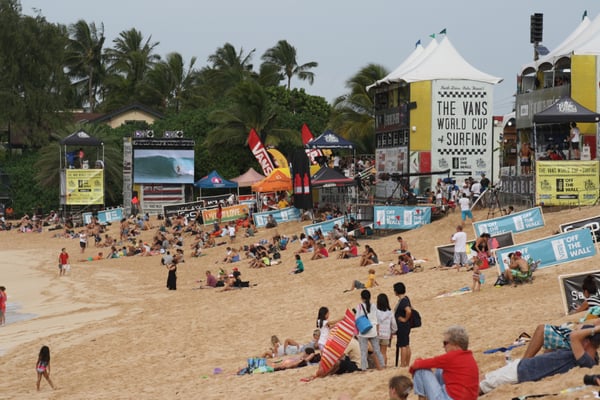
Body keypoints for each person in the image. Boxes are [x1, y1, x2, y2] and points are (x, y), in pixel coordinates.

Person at [479, 324, 600, 394]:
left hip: (523, 372)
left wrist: (596, 329)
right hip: (523, 367)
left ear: (587, 341)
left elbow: (574, 336)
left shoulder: (586, 360)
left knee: (478, 385)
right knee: (483, 378)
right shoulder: (589, 358)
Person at [410, 325, 479, 400]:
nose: (444, 346)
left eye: (445, 343)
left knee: (421, 371)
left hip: (449, 398)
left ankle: (422, 398)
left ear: (455, 344)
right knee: (440, 369)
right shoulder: (469, 357)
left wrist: (415, 367)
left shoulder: (451, 357)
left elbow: (417, 365)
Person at [355, 289, 384, 371]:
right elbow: (377, 318)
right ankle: (382, 365)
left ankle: (364, 368)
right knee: (377, 350)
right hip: (373, 329)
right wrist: (378, 330)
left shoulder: (359, 306)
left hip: (364, 331)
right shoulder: (374, 306)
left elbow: (357, 319)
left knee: (363, 352)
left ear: (362, 298)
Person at [394, 282, 413, 367]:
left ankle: (403, 364)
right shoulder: (406, 299)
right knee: (406, 344)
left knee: (403, 345)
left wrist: (405, 319)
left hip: (402, 325)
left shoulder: (403, 301)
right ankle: (407, 363)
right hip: (406, 325)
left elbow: (408, 310)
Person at [377, 293, 397, 367]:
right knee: (384, 352)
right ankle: (384, 366)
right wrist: (393, 332)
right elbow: (394, 325)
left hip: (378, 334)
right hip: (386, 335)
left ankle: (379, 366)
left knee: (377, 352)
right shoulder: (390, 313)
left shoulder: (376, 312)